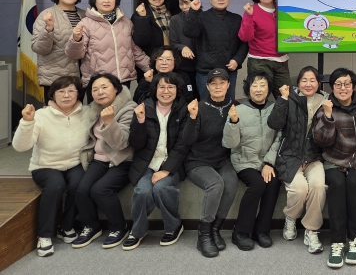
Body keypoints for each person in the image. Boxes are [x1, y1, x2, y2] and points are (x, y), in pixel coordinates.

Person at [12, 76, 90, 256]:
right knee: (56, 185)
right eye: (61, 91)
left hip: (75, 163)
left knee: (80, 184)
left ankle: (66, 226)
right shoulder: (41, 115)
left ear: (78, 94)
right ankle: (44, 236)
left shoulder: (87, 112)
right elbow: (20, 147)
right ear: (53, 95)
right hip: (45, 165)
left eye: (71, 91)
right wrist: (27, 122)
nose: (66, 95)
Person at [123, 72, 191, 251]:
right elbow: (136, 144)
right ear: (155, 89)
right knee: (142, 191)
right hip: (146, 163)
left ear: (177, 90)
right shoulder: (144, 107)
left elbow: (183, 145)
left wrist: (166, 170)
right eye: (162, 87)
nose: (166, 91)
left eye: (170, 87)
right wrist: (140, 120)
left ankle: (174, 226)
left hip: (172, 163)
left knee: (161, 188)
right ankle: (137, 231)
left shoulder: (184, 110)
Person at [313, 68, 356, 268]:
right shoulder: (326, 107)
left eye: (347, 84)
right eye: (338, 84)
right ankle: (337, 242)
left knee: (355, 183)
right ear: (332, 87)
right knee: (337, 185)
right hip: (333, 159)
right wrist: (328, 117)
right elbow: (322, 141)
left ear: (353, 86)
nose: (343, 88)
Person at [267, 65, 328, 255]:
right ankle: (291, 218)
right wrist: (283, 99)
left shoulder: (325, 102)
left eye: (312, 80)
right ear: (298, 83)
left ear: (318, 83)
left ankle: (311, 230)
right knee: (300, 189)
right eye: (304, 80)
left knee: (318, 186)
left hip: (313, 157)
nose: (308, 84)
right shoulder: (290, 99)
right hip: (290, 156)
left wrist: (328, 114)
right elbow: (274, 123)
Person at [72, 74, 137, 249]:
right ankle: (92, 226)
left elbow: (121, 143)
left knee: (100, 190)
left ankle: (119, 227)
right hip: (99, 159)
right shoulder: (93, 109)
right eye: (95, 89)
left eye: (104, 87)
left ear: (116, 88)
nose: (100, 92)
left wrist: (109, 123)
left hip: (122, 160)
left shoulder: (129, 108)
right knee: (81, 189)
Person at [181, 68, 238, 258]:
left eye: (222, 83)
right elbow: (187, 140)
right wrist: (192, 117)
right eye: (214, 83)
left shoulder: (234, 106)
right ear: (207, 86)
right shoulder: (199, 107)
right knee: (215, 184)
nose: (218, 86)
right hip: (198, 161)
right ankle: (203, 235)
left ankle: (215, 229)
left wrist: (235, 120)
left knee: (230, 183)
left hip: (222, 160)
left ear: (228, 85)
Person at [222, 71, 282, 251]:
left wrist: (269, 163)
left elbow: (280, 138)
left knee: (273, 182)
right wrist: (233, 122)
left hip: (267, 161)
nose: (258, 89)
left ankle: (261, 230)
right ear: (248, 89)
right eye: (254, 85)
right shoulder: (238, 110)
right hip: (244, 160)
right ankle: (240, 232)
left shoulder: (275, 109)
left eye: (263, 85)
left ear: (269, 89)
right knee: (258, 184)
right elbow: (230, 144)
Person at [64, 0, 150, 90]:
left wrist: (152, 68)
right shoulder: (86, 23)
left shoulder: (126, 22)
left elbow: (134, 50)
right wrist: (76, 39)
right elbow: (75, 55)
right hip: (98, 81)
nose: (106, 0)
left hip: (123, 80)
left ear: (116, 0)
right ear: (94, 1)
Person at [182, 0, 248, 101]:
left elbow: (244, 42)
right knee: (206, 104)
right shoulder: (201, 17)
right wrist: (193, 11)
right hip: (206, 71)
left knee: (228, 104)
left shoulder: (236, 18)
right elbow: (189, 32)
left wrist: (237, 60)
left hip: (229, 70)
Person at [31, 0, 87, 97]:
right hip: (55, 79)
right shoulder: (46, 15)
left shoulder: (85, 15)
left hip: (81, 78)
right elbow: (39, 49)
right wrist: (48, 29)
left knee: (79, 109)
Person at [239, 0, 292, 101]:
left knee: (287, 98)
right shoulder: (252, 10)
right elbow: (245, 37)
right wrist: (249, 16)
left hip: (282, 60)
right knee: (260, 98)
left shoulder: (282, 8)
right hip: (259, 61)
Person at [131, 0, 179, 80]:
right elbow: (140, 41)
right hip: (150, 62)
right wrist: (143, 18)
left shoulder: (173, 11)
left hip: (172, 61)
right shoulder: (139, 13)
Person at [169, 0, 200, 89]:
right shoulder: (175, 19)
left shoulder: (204, 17)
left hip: (202, 66)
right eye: (181, 4)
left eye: (186, 3)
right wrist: (183, 47)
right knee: (188, 92)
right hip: (184, 66)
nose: (184, 7)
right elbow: (173, 42)